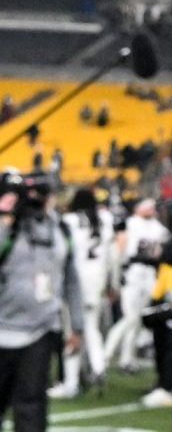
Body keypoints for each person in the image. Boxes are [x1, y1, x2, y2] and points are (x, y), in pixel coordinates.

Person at [0, 173, 85, 432]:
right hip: (2, 327)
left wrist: (77, 326)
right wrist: (7, 220)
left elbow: (71, 280)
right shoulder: (8, 227)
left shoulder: (61, 230)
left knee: (32, 405)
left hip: (42, 328)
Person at [49, 188, 113, 400]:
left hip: (75, 282)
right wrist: (111, 282)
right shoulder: (105, 219)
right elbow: (110, 254)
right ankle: (98, 366)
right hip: (97, 280)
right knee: (92, 328)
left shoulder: (69, 221)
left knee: (73, 332)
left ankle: (71, 382)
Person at [104, 198, 168, 373]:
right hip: (131, 273)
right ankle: (107, 354)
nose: (151, 208)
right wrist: (116, 278)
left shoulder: (159, 228)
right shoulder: (129, 224)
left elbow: (160, 251)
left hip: (149, 274)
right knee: (130, 318)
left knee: (137, 319)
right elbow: (117, 251)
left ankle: (126, 358)